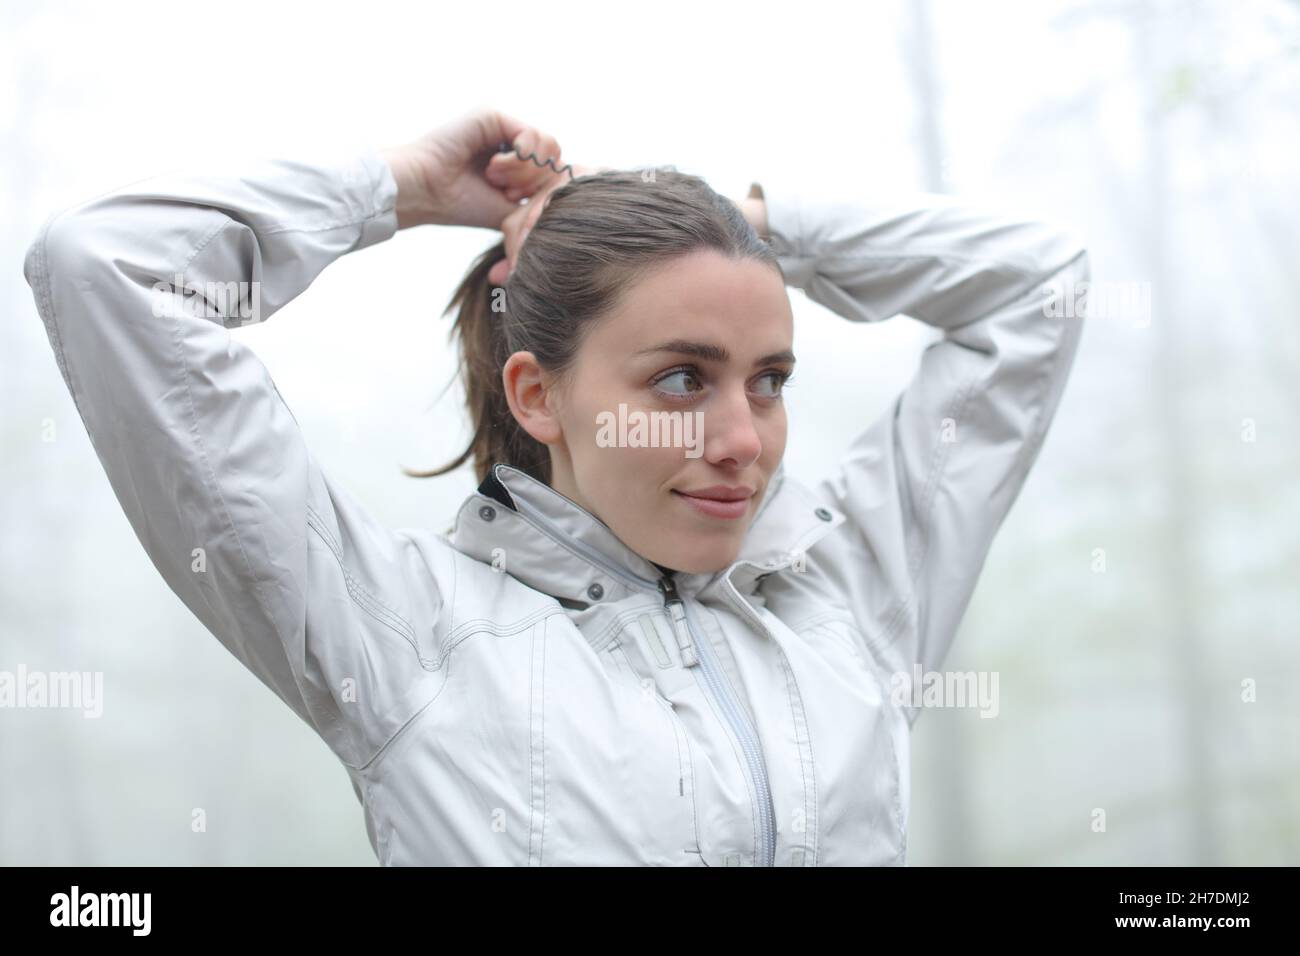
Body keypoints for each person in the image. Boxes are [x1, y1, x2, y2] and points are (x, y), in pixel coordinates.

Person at [22, 107, 1089, 866]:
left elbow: (1040, 282)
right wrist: (400, 190)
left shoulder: (853, 600)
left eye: (768, 381)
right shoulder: (401, 639)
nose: (741, 441)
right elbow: (104, 265)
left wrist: (744, 220)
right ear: (539, 395)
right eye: (681, 377)